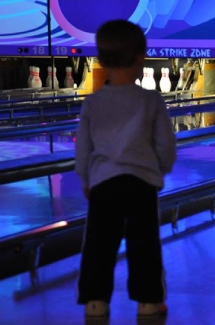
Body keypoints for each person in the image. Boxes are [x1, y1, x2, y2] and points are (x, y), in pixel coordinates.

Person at [74, 19, 176, 320]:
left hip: (103, 183)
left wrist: (85, 177)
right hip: (141, 183)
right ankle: (148, 301)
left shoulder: (92, 103)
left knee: (98, 245)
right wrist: (161, 170)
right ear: (142, 58)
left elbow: (83, 147)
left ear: (101, 60)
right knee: (144, 244)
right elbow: (165, 144)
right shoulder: (151, 99)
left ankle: (95, 301)